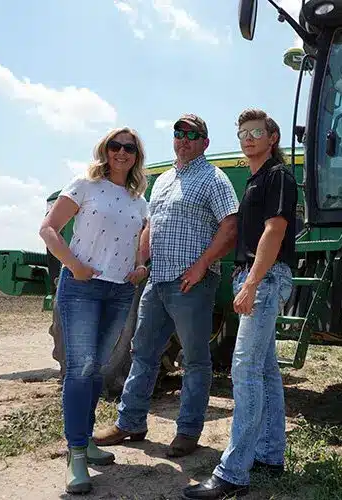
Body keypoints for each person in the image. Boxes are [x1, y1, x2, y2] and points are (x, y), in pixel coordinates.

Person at [93, 114, 239, 459]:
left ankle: (188, 431)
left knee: (195, 360)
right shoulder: (162, 181)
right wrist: (142, 262)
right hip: (157, 281)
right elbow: (150, 225)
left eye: (192, 135)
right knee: (142, 353)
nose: (184, 140)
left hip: (192, 284)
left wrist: (201, 267)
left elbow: (230, 226)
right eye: (178, 134)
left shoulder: (214, 178)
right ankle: (130, 422)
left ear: (205, 142)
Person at [183, 109, 297, 499]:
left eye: (256, 132)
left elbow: (275, 229)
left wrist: (251, 282)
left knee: (243, 368)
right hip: (256, 278)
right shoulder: (253, 180)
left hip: (264, 278)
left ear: (272, 137)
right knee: (264, 370)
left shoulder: (277, 175)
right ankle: (269, 454)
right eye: (243, 133)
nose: (248, 138)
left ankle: (233, 473)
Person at [39, 127, 150, 494]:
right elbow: (49, 229)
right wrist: (74, 266)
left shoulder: (138, 198)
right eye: (115, 146)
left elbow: (137, 240)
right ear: (105, 150)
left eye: (129, 148)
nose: (121, 152)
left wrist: (139, 266)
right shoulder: (84, 184)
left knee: (98, 369)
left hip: (120, 292)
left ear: (136, 155)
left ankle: (86, 441)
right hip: (83, 288)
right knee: (81, 367)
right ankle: (75, 455)